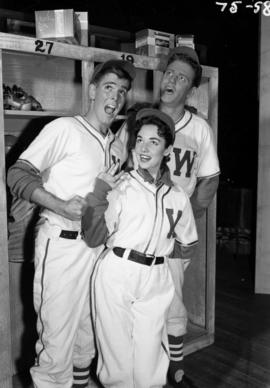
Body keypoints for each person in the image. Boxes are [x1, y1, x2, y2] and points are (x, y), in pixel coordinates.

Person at [7, 59, 136, 388]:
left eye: (122, 92)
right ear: (92, 91)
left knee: (85, 341)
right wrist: (60, 204)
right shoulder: (64, 128)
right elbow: (17, 174)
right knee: (56, 347)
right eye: (108, 87)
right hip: (62, 245)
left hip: (95, 250)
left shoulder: (112, 144)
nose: (115, 97)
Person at [81, 108, 198, 388]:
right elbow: (93, 236)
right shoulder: (121, 185)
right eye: (140, 140)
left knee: (150, 365)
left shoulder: (178, 196)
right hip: (117, 273)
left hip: (156, 278)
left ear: (168, 149)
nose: (143, 148)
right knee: (117, 362)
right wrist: (99, 192)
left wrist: (167, 273)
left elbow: (187, 243)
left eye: (154, 142)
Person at [159, 46, 220, 388]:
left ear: (191, 89)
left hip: (176, 231)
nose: (172, 80)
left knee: (174, 302)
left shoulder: (199, 127)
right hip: (138, 229)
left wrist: (190, 214)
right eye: (169, 73)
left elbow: (210, 178)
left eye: (181, 77)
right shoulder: (141, 118)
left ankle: (175, 372)